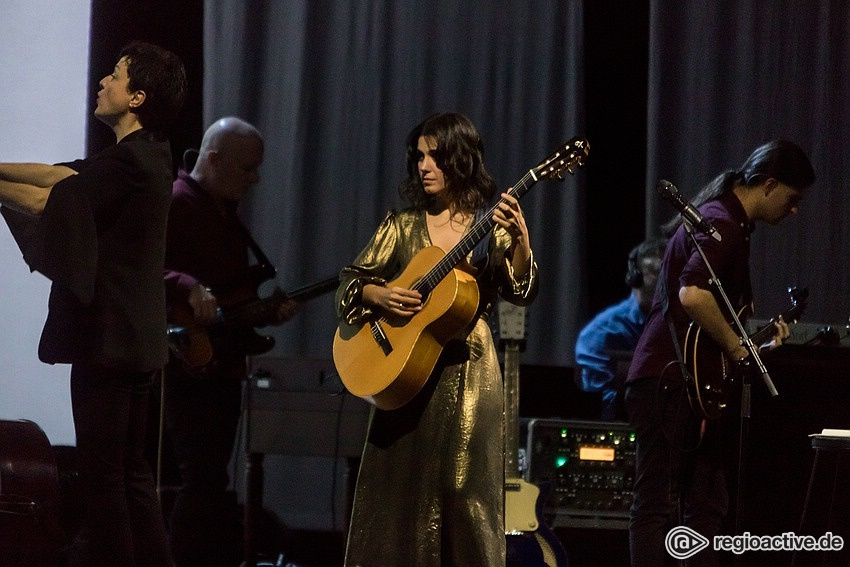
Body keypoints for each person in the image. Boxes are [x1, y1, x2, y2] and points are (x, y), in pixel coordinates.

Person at [0, 41, 187, 566]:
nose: (103, 81)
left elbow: (50, 200)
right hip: (134, 342)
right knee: (130, 477)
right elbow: (59, 176)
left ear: (137, 97)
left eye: (115, 76)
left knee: (106, 482)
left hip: (110, 343)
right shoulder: (143, 155)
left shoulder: (133, 163)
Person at [336, 112, 538, 566]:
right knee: (397, 486)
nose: (423, 166)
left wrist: (522, 243)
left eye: (435, 156)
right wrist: (378, 294)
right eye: (419, 156)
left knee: (465, 489)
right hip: (404, 371)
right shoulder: (402, 225)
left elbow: (520, 291)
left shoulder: (494, 226)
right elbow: (350, 282)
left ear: (461, 159)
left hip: (468, 367)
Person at [625, 140, 815, 567]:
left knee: (707, 504)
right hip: (667, 380)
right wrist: (739, 348)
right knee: (658, 504)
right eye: (793, 198)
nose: (795, 209)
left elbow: (707, 320)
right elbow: (692, 295)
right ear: (769, 184)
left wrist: (754, 344)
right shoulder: (721, 222)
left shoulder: (726, 223)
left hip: (685, 382)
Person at [162, 116, 298, 566]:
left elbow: (228, 299)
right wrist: (186, 285)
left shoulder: (223, 213)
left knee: (210, 483)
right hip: (189, 363)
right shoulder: (178, 202)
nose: (256, 178)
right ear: (213, 159)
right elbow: (138, 268)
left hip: (221, 364)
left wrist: (264, 313)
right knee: (202, 482)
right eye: (247, 168)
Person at [574, 237, 667, 420]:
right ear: (636, 276)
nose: (667, 279)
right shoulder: (602, 331)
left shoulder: (675, 323)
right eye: (658, 271)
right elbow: (594, 399)